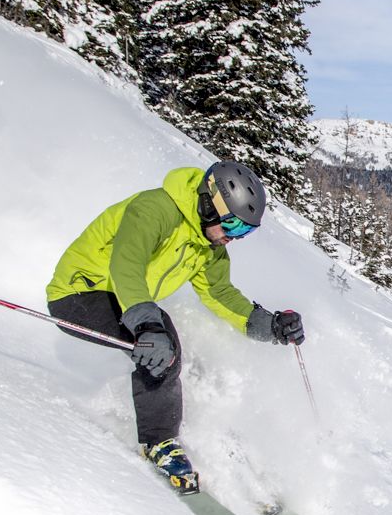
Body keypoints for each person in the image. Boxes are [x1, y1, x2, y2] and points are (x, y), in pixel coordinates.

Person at [45, 161, 304, 493]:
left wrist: (269, 325)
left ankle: (197, 424)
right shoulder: (154, 210)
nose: (234, 238)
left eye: (246, 232)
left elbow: (219, 293)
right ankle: (159, 442)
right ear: (211, 205)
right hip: (78, 294)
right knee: (162, 343)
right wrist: (146, 324)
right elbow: (127, 264)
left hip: (126, 300)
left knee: (183, 352)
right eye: (235, 227)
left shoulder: (208, 245)